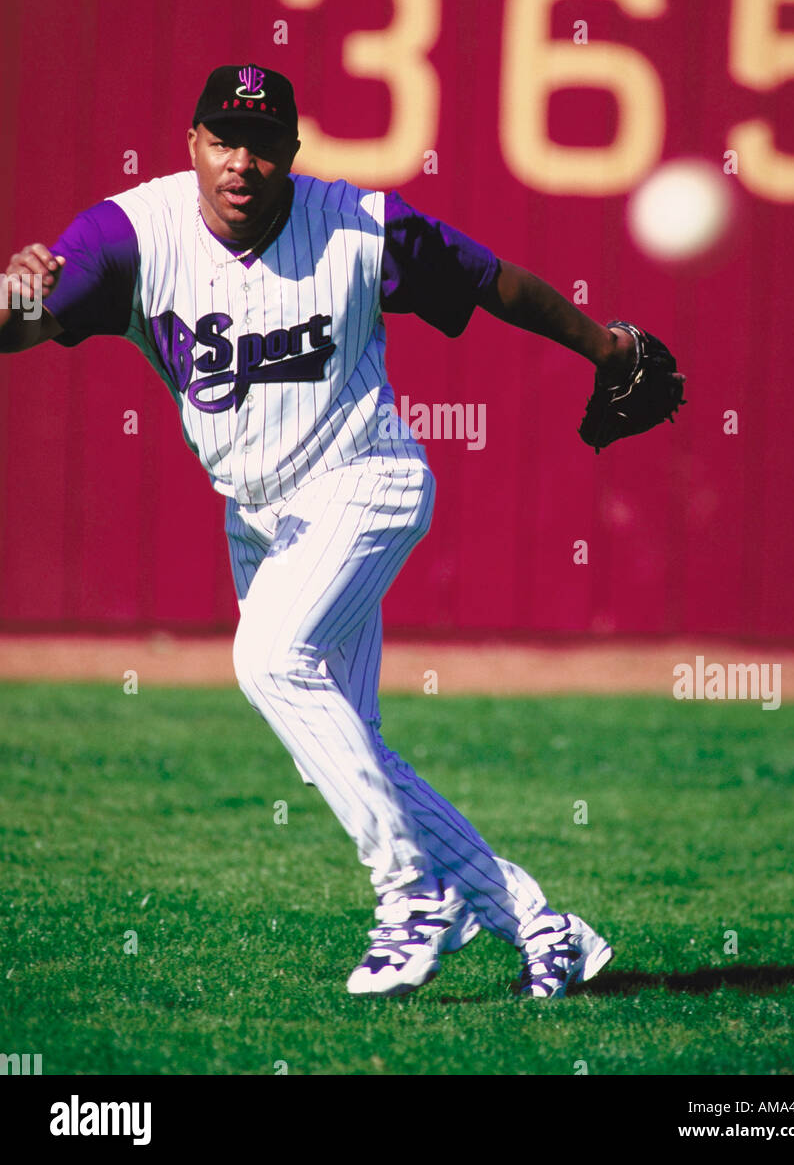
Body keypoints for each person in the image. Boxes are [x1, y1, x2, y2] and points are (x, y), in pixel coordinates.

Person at [0, 63, 638, 1000]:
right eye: (223, 138)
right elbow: (26, 327)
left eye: (262, 143)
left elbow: (493, 282)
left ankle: (408, 899)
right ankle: (544, 929)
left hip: (364, 481)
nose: (241, 161)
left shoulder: (358, 226)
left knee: (268, 665)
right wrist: (16, 293)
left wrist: (606, 348)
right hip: (258, 519)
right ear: (192, 144)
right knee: (342, 745)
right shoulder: (132, 232)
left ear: (291, 154)